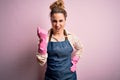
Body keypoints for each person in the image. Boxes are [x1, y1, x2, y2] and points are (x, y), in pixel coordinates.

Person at [36, 0, 83, 80]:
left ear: (65, 20)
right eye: (54, 21)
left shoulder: (71, 37)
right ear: (51, 20)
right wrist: (43, 43)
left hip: (70, 77)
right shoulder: (45, 38)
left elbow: (80, 48)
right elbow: (41, 62)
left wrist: (75, 60)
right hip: (51, 77)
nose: (57, 25)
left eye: (60, 21)